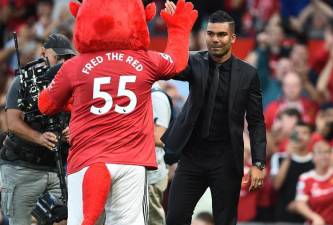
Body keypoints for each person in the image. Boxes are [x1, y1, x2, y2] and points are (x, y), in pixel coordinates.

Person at [37, 0, 198, 224]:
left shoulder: (73, 66)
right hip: (130, 160)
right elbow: (176, 62)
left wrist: (62, 98)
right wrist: (178, 29)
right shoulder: (145, 60)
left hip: (86, 159)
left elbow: (46, 105)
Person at [161, 7, 266, 225]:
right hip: (192, 157)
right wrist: (177, 30)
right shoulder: (193, 61)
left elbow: (256, 122)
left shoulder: (248, 74)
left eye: (221, 34)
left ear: (233, 38)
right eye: (210, 34)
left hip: (226, 159)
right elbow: (170, 68)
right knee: (174, 219)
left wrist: (258, 163)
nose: (215, 39)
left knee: (225, 221)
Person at [0, 33, 75, 225]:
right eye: (58, 57)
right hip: (22, 166)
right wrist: (39, 137)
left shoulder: (72, 84)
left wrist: (72, 130)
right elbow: (13, 123)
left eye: (67, 58)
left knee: (69, 217)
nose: (62, 62)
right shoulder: (23, 82)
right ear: (43, 53)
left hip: (57, 166)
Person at [270, 121, 314, 223]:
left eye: (305, 133)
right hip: (284, 217)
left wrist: (300, 206)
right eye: (296, 133)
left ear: (311, 137)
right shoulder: (278, 158)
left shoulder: (315, 159)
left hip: (310, 216)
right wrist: (288, 157)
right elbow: (276, 185)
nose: (300, 137)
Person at [147, 82, 172, 225]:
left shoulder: (156, 96)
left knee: (152, 222)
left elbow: (159, 138)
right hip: (136, 172)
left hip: (152, 175)